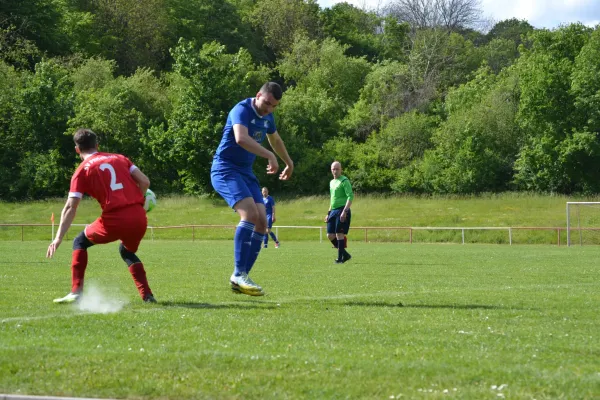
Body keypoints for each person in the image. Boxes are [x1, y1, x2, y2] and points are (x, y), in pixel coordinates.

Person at [46, 128, 156, 304]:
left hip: (115, 218)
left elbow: (70, 207)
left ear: (77, 150)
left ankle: (76, 291)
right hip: (138, 216)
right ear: (97, 145)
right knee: (126, 251)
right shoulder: (120, 158)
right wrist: (139, 201)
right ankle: (147, 296)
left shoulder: (81, 171)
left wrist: (58, 238)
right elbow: (145, 182)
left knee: (79, 242)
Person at [211, 82, 294, 296]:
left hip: (245, 173)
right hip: (225, 169)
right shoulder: (241, 110)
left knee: (262, 221)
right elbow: (241, 138)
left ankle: (241, 277)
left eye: (273, 106)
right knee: (249, 214)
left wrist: (289, 162)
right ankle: (238, 273)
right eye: (266, 103)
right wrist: (268, 155)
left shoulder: (268, 117)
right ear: (258, 95)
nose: (269, 109)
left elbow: (275, 139)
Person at [325, 161, 353, 264]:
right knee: (330, 235)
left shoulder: (344, 181)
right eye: (333, 169)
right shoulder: (331, 182)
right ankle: (345, 254)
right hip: (333, 210)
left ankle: (340, 258)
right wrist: (328, 213)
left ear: (341, 169)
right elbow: (332, 199)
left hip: (342, 209)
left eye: (337, 169)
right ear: (331, 170)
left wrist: (345, 211)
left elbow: (350, 196)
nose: (335, 171)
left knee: (339, 234)